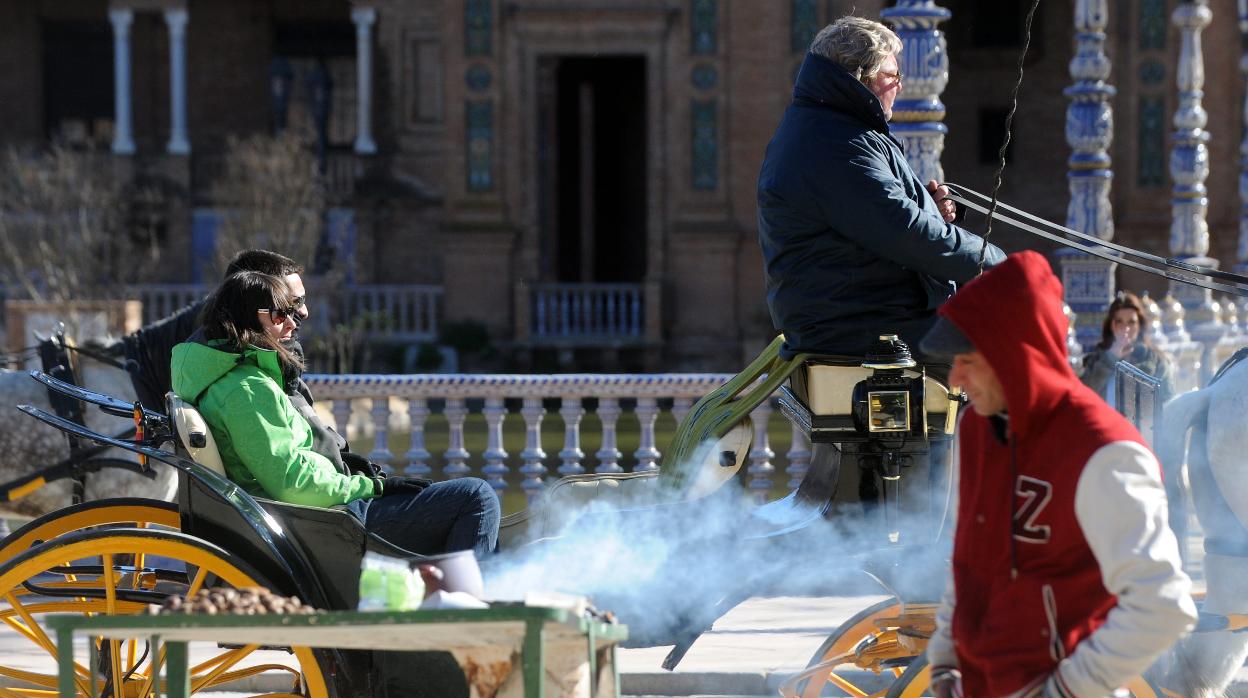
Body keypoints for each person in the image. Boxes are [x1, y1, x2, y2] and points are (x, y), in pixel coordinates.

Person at [920, 252, 1195, 698]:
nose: (954, 378)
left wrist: (1064, 691)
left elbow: (1162, 605)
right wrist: (944, 663)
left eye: (967, 360)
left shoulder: (1105, 450)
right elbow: (968, 563)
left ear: (1014, 355)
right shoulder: (975, 429)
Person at [170, 270, 499, 556]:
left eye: (291, 312)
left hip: (316, 513)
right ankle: (467, 609)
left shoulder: (232, 379)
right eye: (278, 314)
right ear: (245, 318)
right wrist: (371, 488)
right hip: (323, 523)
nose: (292, 322)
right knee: (476, 497)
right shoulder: (245, 388)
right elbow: (292, 483)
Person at [757, 16, 1006, 360]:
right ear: (862, 78)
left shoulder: (831, 128)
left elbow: (877, 219)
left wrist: (928, 207)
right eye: (892, 76)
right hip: (860, 325)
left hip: (859, 315)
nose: (899, 87)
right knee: (1010, 345)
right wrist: (998, 265)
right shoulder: (836, 141)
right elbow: (904, 231)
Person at [123, 249, 310, 411]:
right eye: (295, 302)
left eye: (303, 299)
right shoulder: (247, 387)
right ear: (253, 305)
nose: (304, 312)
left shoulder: (268, 369)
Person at [1079, 291, 1175, 408]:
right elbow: (1083, 396)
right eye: (1119, 322)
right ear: (1111, 325)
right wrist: (1110, 358)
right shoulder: (1096, 360)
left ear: (1139, 325)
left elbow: (1169, 404)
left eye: (1131, 322)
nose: (1126, 328)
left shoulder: (1155, 361)